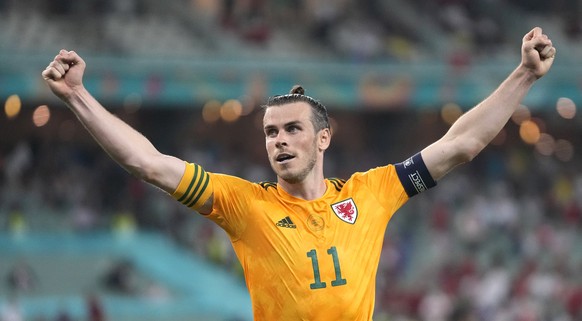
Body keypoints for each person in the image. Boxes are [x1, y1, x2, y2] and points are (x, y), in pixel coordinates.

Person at [41, 27, 556, 320]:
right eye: (270, 133)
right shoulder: (245, 205)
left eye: (291, 129)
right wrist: (78, 97)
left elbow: (460, 144)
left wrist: (525, 75)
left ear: (323, 137)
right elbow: (146, 162)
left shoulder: (372, 192)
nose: (279, 141)